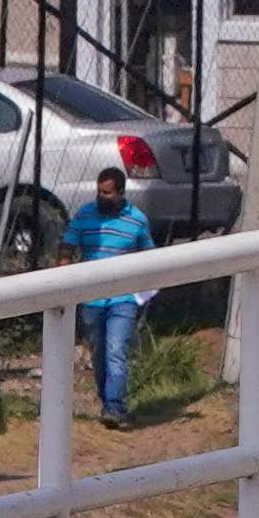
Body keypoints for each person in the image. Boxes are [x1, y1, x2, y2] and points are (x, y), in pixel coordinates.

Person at [71, 154, 161, 420]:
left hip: (123, 300)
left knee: (115, 352)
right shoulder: (85, 215)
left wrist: (144, 294)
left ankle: (115, 407)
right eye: (99, 192)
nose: (102, 197)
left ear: (121, 193)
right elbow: (68, 243)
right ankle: (106, 400)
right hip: (91, 299)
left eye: (107, 193)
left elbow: (151, 258)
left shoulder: (137, 220)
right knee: (99, 355)